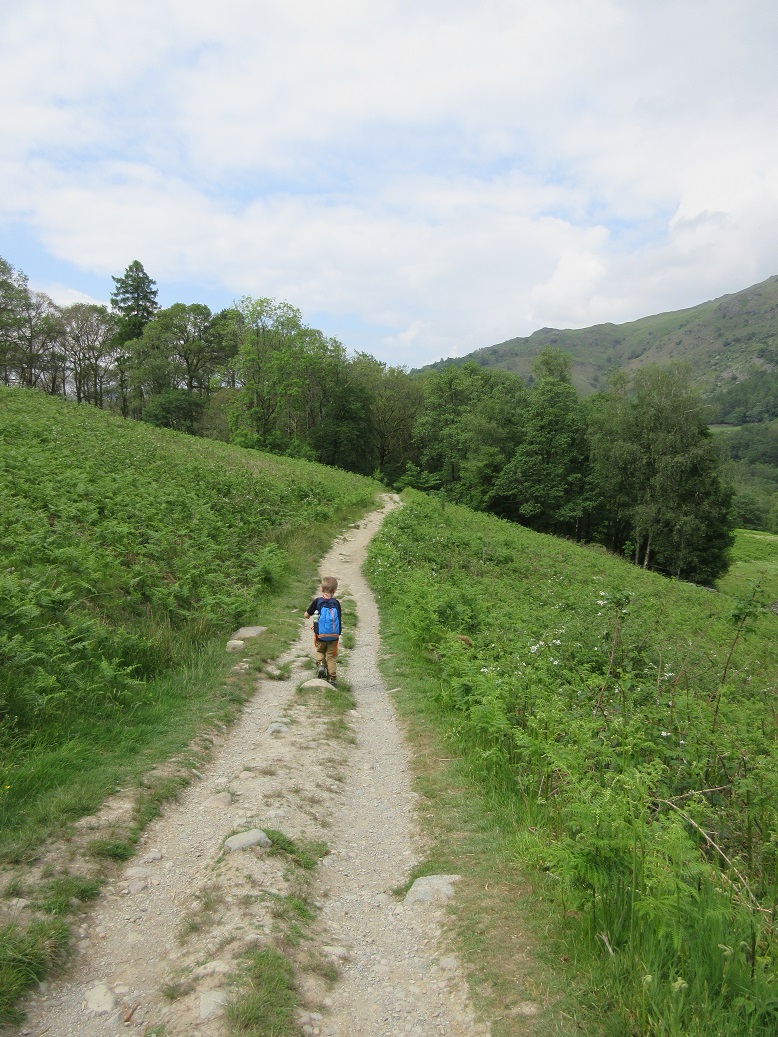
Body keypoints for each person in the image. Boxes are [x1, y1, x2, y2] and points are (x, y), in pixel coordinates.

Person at [304, 576, 342, 685]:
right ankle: (332, 679)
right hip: (334, 636)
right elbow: (339, 618)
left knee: (320, 651)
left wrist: (309, 616)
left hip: (320, 636)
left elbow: (306, 615)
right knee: (331, 656)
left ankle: (321, 665)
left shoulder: (317, 601)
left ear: (321, 589)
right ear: (335, 590)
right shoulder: (336, 603)